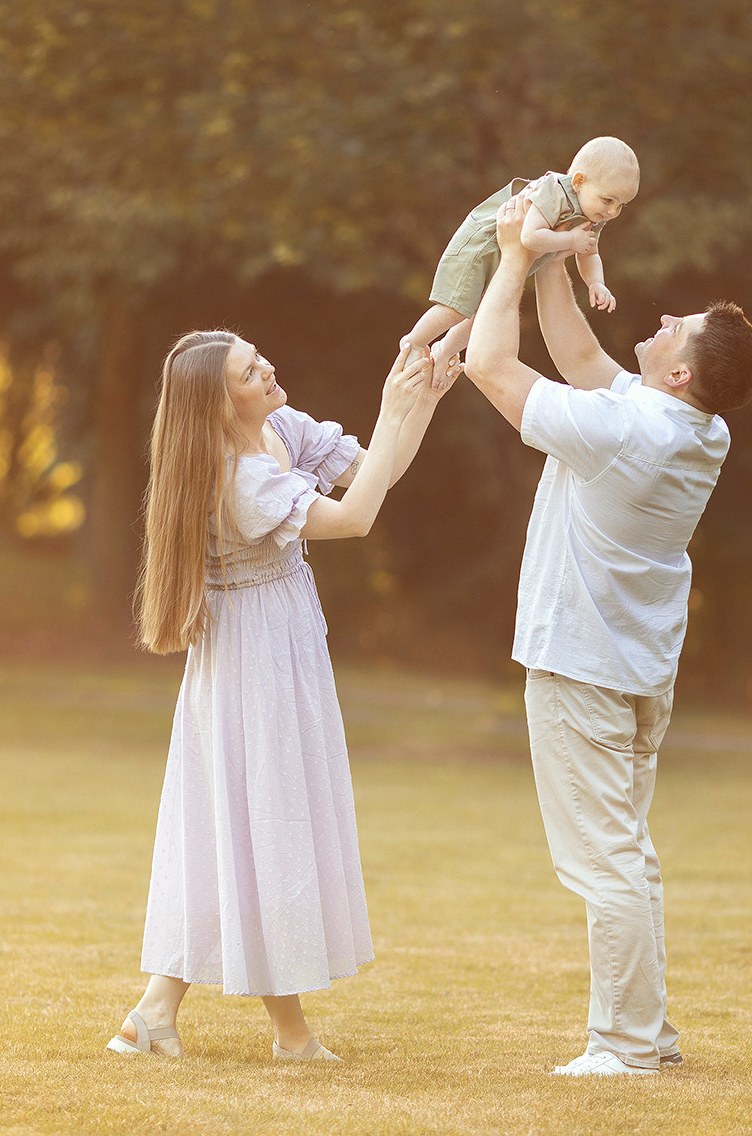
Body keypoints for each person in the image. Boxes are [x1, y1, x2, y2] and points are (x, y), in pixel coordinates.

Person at [464, 191, 752, 1078]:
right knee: (626, 855)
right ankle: (650, 1035)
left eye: (680, 328)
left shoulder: (630, 429)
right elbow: (577, 353)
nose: (666, 318)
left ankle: (624, 1047)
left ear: (677, 373)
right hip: (632, 670)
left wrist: (515, 255)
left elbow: (492, 364)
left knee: (605, 864)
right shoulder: (691, 426)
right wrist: (561, 241)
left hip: (583, 669)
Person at [109, 332, 443, 1062]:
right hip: (251, 659)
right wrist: (394, 407)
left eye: (261, 357)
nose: (268, 369)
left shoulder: (280, 430)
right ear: (217, 403)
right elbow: (355, 518)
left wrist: (419, 402)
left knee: (233, 823)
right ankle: (289, 1034)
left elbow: (371, 474)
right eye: (248, 371)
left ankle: (153, 1014)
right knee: (267, 823)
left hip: (281, 648)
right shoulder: (238, 478)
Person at [402, 136, 640, 391]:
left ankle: (443, 351)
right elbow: (529, 236)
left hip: (508, 258)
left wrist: (596, 283)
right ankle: (414, 343)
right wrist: (569, 238)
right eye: (608, 200)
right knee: (457, 309)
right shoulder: (554, 191)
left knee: (483, 317)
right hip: (483, 245)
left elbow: (589, 253)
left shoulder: (592, 214)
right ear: (579, 181)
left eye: (621, 205)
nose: (613, 212)